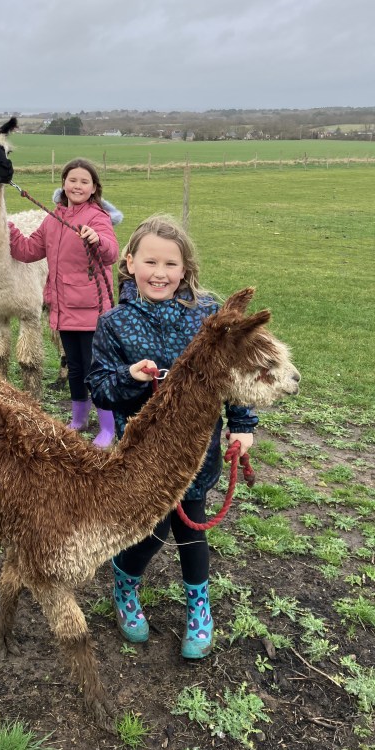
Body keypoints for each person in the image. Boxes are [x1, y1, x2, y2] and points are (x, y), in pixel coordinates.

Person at [86, 215, 258, 658]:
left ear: (185, 269)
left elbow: (235, 374)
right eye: (150, 262)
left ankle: (199, 605)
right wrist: (130, 376)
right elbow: (101, 386)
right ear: (129, 263)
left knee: (191, 524)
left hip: (197, 451)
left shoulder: (208, 315)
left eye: (170, 263)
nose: (159, 273)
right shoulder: (115, 324)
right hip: (144, 455)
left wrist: (242, 424)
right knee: (152, 525)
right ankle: (125, 585)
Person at [8, 158, 119, 448]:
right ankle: (79, 419)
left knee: (96, 369)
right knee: (75, 368)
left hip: (92, 309)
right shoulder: (52, 220)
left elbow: (111, 252)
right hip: (63, 308)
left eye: (84, 181)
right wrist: (5, 226)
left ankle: (108, 427)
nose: (77, 186)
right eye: (72, 180)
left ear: (94, 187)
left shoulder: (98, 217)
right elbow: (28, 250)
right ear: (64, 184)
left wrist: (97, 239)